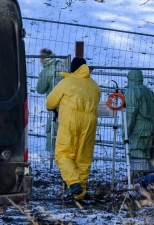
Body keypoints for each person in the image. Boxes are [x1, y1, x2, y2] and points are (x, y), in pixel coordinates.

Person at [46, 57, 101, 201]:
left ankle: (74, 183)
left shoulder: (66, 82)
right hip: (90, 123)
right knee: (83, 158)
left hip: (70, 121)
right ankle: (79, 195)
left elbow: (50, 102)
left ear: (73, 69)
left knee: (63, 154)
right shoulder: (94, 85)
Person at [123, 70, 154, 159]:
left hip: (137, 128)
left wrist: (125, 131)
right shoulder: (148, 91)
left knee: (136, 153)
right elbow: (153, 111)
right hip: (149, 127)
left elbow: (130, 113)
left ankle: (137, 173)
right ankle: (144, 173)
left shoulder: (131, 91)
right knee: (145, 153)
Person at [36, 48, 64, 152]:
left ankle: (52, 154)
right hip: (67, 104)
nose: (40, 60)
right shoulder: (63, 66)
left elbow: (40, 89)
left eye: (41, 58)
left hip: (54, 106)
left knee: (52, 129)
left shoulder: (47, 70)